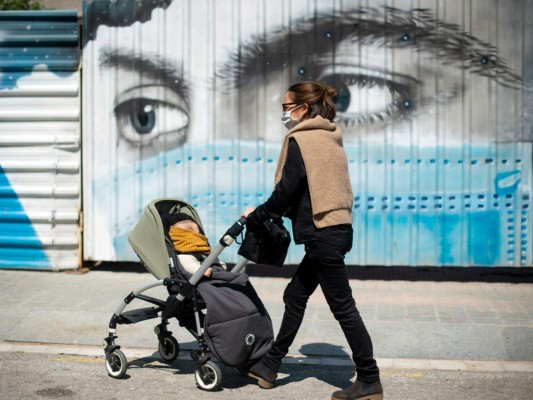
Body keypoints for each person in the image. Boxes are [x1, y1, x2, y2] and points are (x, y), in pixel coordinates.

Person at [242, 81, 382, 400]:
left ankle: (370, 380)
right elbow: (307, 189)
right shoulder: (330, 137)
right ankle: (270, 365)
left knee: (344, 308)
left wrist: (258, 214)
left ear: (303, 108)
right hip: (337, 230)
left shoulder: (302, 141)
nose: (284, 113)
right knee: (295, 294)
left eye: (286, 106)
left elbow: (286, 192)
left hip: (323, 236)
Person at [162, 213, 226, 278]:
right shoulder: (184, 257)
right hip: (200, 278)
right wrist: (201, 270)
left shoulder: (203, 253)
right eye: (197, 234)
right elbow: (189, 266)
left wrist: (220, 264)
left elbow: (211, 259)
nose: (201, 237)